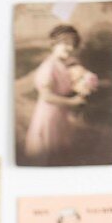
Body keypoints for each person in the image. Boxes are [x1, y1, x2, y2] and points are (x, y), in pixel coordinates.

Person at [23, 25, 98, 166]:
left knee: (61, 156)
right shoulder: (49, 66)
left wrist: (83, 84)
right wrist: (73, 102)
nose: (69, 48)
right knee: (48, 154)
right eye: (65, 43)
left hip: (60, 115)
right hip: (48, 115)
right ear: (54, 44)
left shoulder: (64, 64)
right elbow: (47, 96)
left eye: (72, 44)